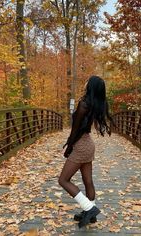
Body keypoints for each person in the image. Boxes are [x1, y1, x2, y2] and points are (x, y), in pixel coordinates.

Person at [58, 75, 113, 228]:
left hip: (81, 145)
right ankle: (90, 215)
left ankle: (89, 208)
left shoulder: (84, 104)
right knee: (88, 181)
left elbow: (75, 130)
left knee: (63, 180)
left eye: (88, 80)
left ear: (91, 85)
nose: (86, 81)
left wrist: (68, 147)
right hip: (88, 144)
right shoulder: (94, 104)